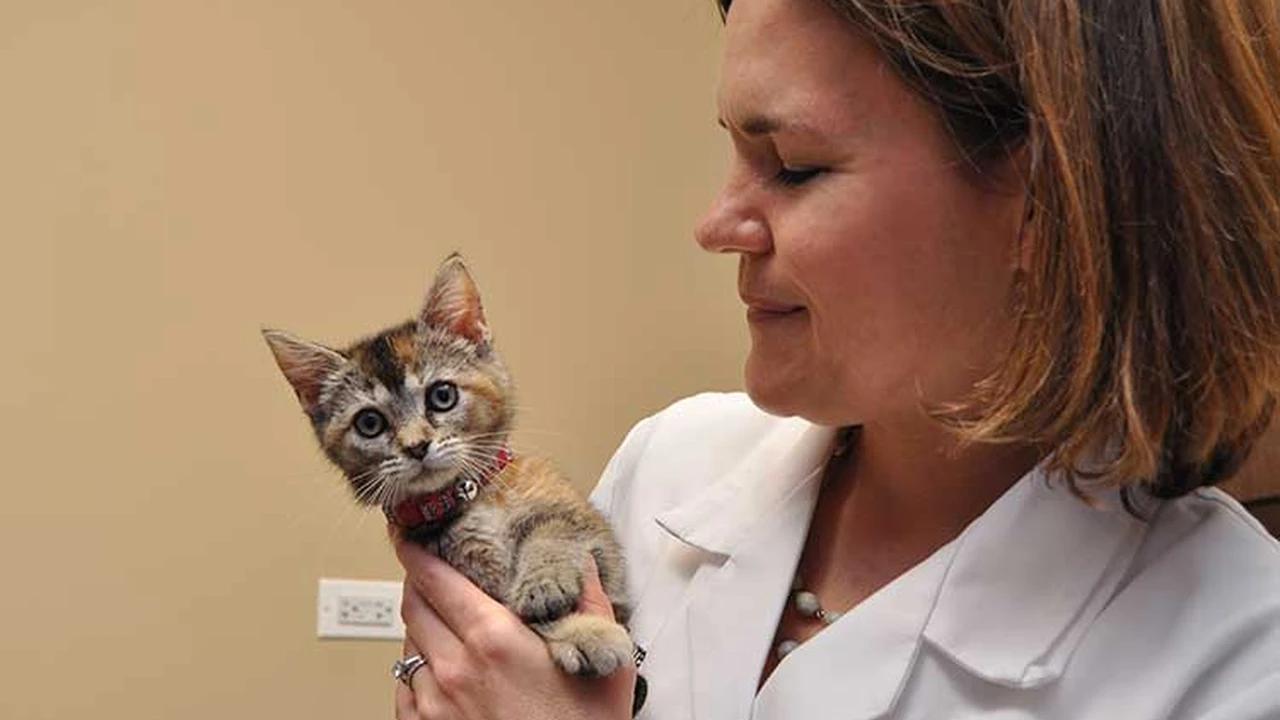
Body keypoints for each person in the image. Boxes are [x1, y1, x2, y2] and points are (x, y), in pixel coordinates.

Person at [389, 0, 1280, 717]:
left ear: (1051, 201)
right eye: (733, 152)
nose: (714, 226)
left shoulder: (1240, 657)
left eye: (794, 165)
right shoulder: (668, 469)